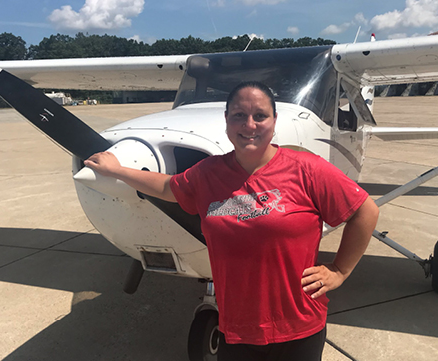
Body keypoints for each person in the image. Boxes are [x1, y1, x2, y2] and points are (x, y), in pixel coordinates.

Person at [84, 81, 379, 361]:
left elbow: (365, 211)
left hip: (298, 328)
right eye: (239, 115)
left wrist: (339, 269)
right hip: (236, 330)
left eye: (260, 116)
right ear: (227, 121)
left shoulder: (308, 169)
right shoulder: (207, 173)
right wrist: (118, 170)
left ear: (274, 121)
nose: (249, 125)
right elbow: (166, 187)